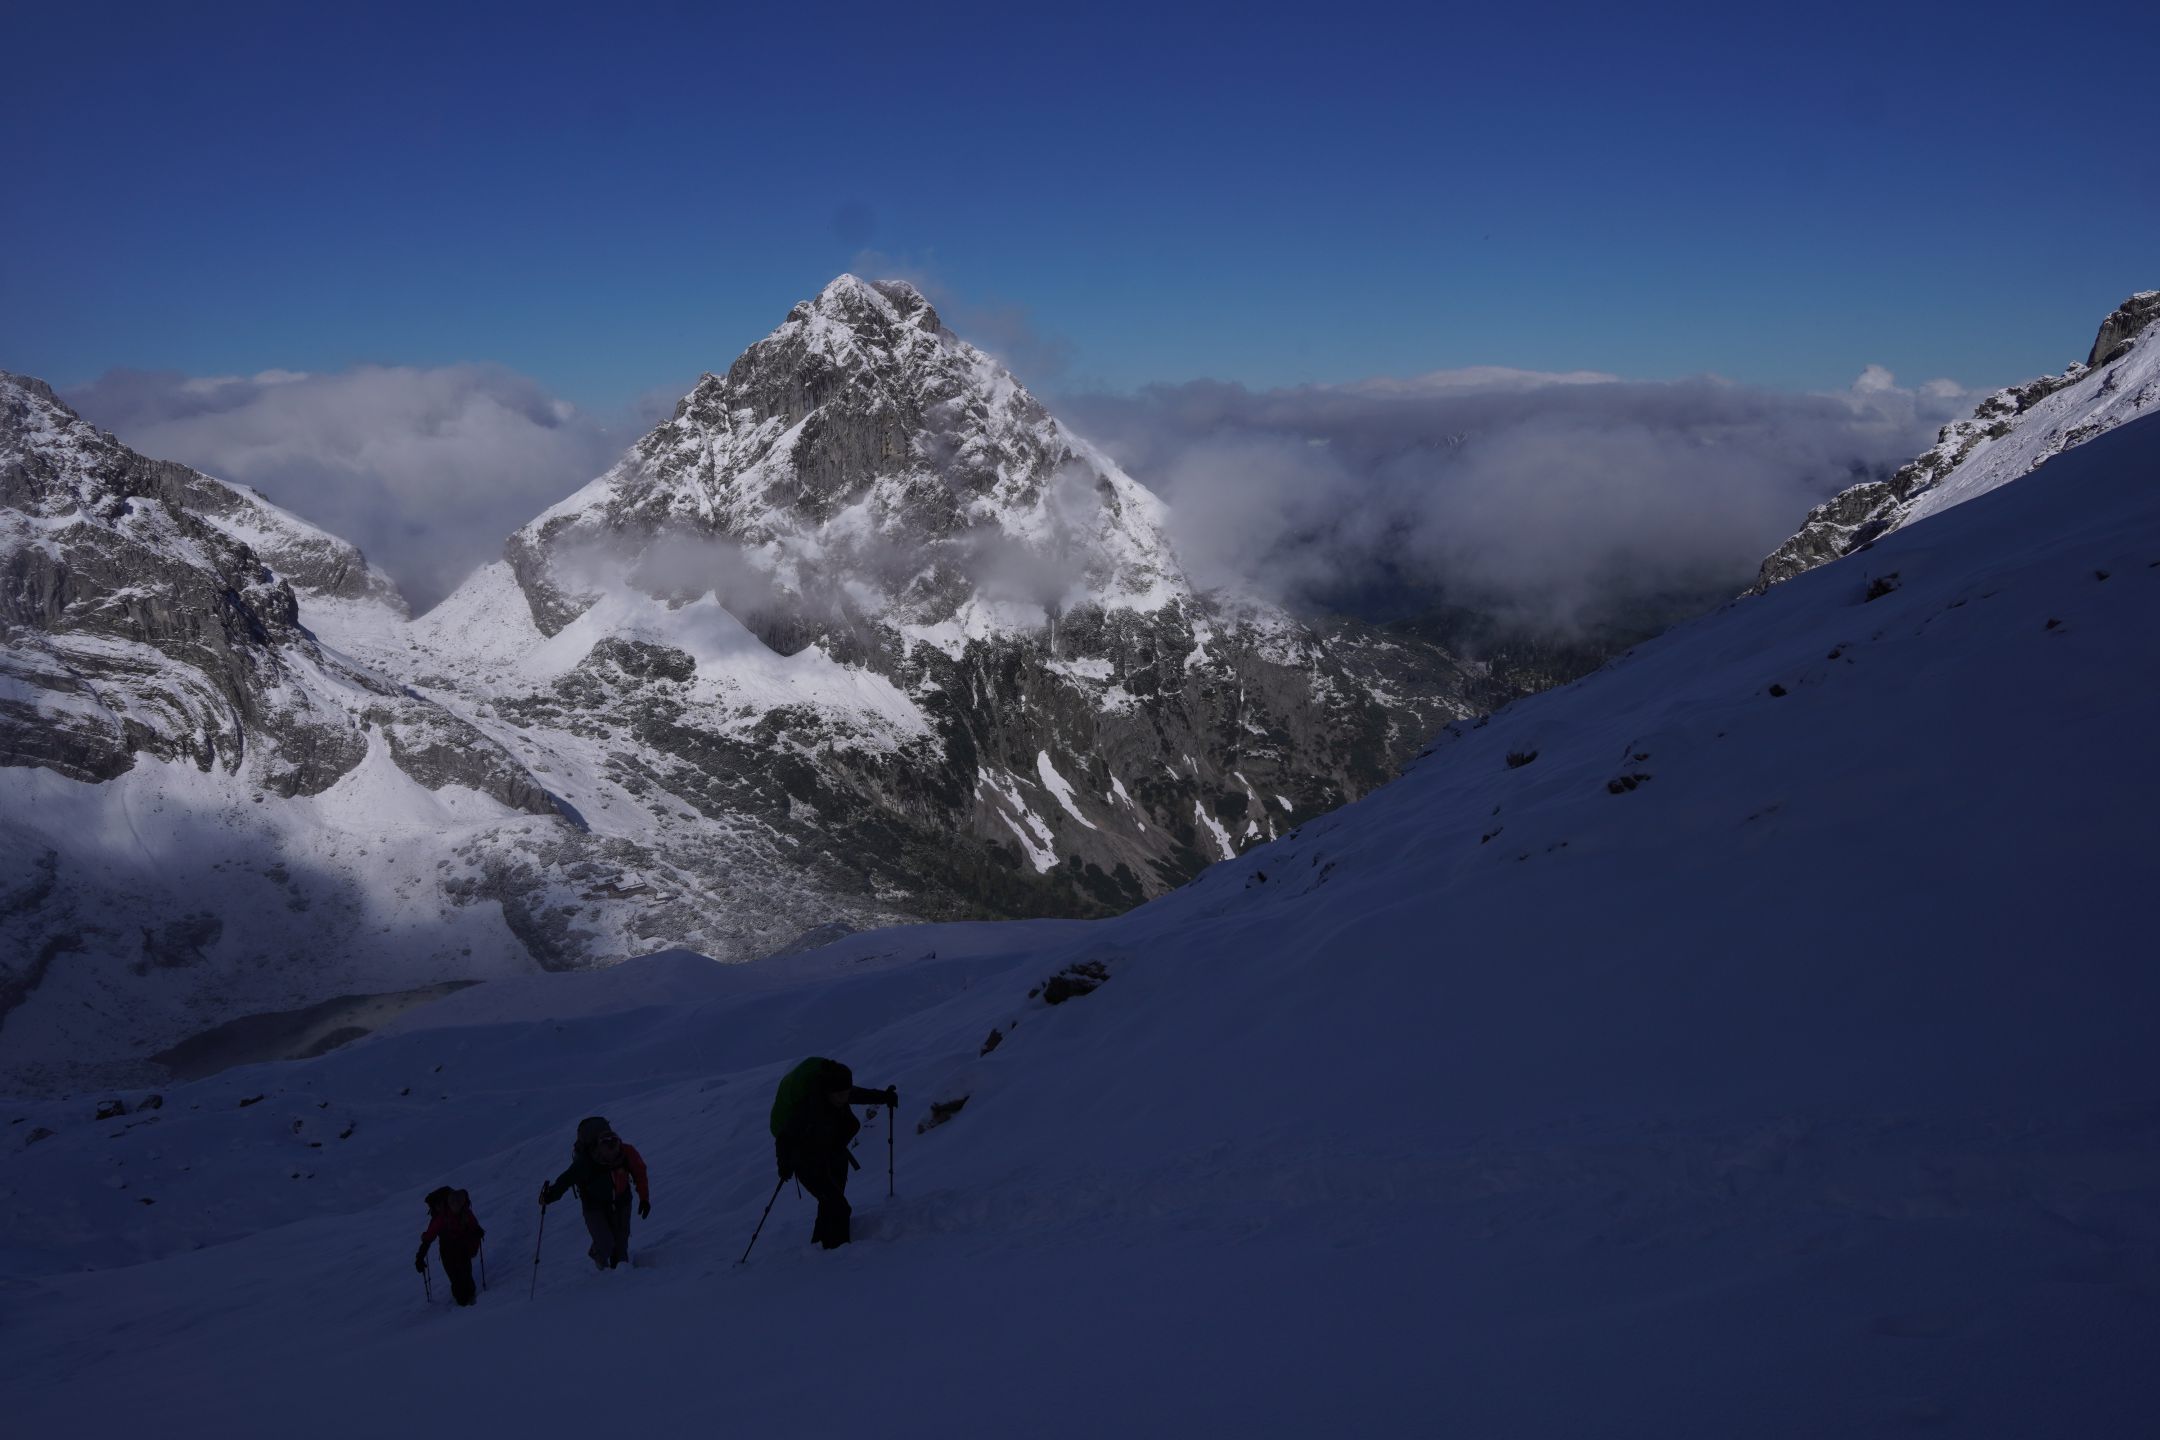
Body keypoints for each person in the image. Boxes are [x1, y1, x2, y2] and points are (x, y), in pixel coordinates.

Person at [770, 1057, 897, 1249]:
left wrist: (884, 1097)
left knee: (829, 1204)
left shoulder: (838, 1093)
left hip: (833, 1155)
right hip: (807, 1163)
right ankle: (838, 1254)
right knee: (839, 1207)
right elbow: (785, 1138)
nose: (843, 1099)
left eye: (846, 1093)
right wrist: (784, 1164)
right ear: (827, 1091)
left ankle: (819, 1247)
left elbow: (858, 1095)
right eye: (839, 1095)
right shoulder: (808, 1108)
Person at [540, 1117, 651, 1270]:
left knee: (621, 1251)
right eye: (608, 1152)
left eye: (615, 1150)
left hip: (622, 1202)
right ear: (599, 1148)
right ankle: (600, 1265)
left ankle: (620, 1276)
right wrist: (550, 1196)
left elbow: (639, 1173)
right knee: (605, 1244)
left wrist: (644, 1199)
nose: (613, 1156)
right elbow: (566, 1180)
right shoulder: (586, 1162)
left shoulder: (627, 1152)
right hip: (594, 1206)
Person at [416, 1186, 485, 1306]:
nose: (455, 1206)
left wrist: (477, 1231)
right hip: (449, 1250)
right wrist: (420, 1257)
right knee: (456, 1277)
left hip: (458, 1248)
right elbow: (429, 1237)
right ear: (449, 1203)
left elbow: (474, 1226)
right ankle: (464, 1303)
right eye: (453, 1204)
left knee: (464, 1274)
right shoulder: (442, 1217)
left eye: (458, 1204)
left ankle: (469, 1301)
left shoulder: (465, 1213)